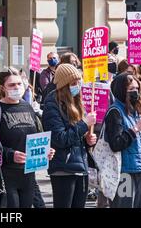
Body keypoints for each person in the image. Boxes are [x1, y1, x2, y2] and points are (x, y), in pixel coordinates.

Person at [0, 67, 55, 208]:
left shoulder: (27, 107)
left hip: (28, 174)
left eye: (19, 84)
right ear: (3, 87)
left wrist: (46, 150)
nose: (16, 87)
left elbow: (37, 135)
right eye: (11, 85)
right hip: (6, 175)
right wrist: (10, 154)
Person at [42, 63, 97, 208]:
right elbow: (60, 138)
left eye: (79, 82)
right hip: (63, 168)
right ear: (64, 85)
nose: (77, 85)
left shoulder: (77, 102)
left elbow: (76, 135)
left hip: (80, 165)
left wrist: (88, 139)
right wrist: (84, 124)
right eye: (73, 83)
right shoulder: (52, 103)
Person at [104, 72, 141, 208]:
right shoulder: (115, 112)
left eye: (137, 89)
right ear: (121, 90)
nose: (135, 92)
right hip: (124, 172)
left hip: (138, 169)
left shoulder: (136, 110)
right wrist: (135, 129)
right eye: (131, 89)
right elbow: (116, 143)